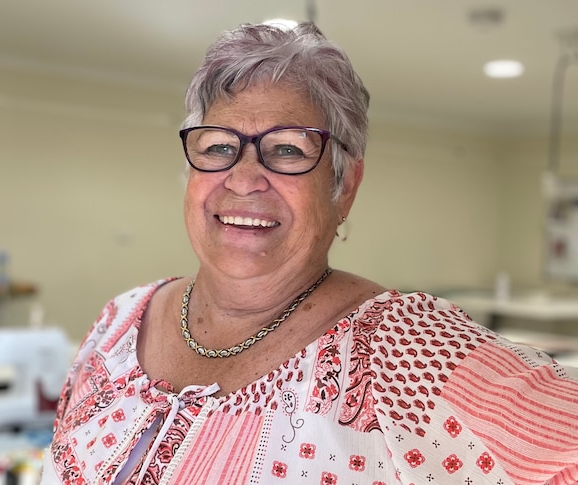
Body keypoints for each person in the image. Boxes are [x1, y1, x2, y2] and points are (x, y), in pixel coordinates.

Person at [36, 21, 578, 484]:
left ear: (343, 187)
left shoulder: (397, 352)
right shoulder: (120, 321)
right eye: (219, 146)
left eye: (288, 150)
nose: (244, 178)